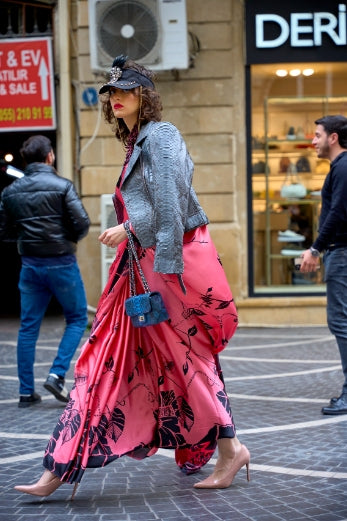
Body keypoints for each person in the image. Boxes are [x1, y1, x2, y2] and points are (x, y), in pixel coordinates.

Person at [13, 56, 249, 499]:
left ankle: (231, 449)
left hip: (164, 267)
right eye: (111, 93)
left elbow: (172, 200)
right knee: (108, 356)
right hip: (139, 269)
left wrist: (130, 229)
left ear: (146, 95)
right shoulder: (136, 140)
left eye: (125, 90)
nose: (115, 98)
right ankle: (59, 467)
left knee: (182, 362)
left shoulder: (160, 134)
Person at [0, 135, 90, 407]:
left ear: (26, 160)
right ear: (50, 156)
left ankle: (26, 392)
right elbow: (82, 224)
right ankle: (56, 374)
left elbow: (4, 232)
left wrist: (27, 239)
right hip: (62, 262)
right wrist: (65, 237)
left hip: (30, 265)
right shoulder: (62, 186)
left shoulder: (10, 192)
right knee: (76, 318)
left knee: (28, 327)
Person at [300, 115, 347, 415]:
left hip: (340, 252)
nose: (313, 141)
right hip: (339, 251)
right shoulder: (340, 168)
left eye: (317, 135)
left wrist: (316, 248)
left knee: (340, 321)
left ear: (333, 138)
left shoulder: (342, 167)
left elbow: (339, 212)